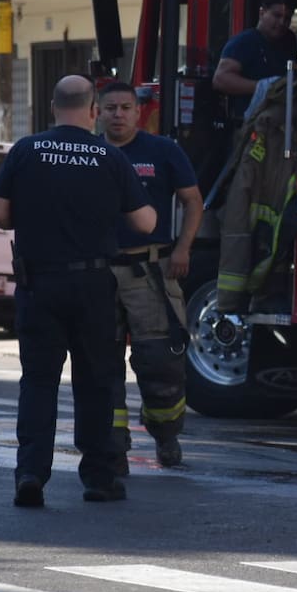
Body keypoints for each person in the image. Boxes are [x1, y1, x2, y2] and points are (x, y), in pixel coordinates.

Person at [0, 75, 156, 508]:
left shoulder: (27, 150)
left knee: (39, 381)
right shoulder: (109, 156)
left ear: (53, 107)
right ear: (93, 109)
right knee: (96, 382)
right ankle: (98, 477)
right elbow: (146, 223)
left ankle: (31, 474)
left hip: (39, 282)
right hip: (94, 284)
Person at [97, 81, 203, 471]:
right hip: (99, 272)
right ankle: (112, 444)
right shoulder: (89, 152)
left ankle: (166, 435)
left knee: (161, 360)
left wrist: (183, 249)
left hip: (151, 271)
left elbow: (193, 200)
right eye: (111, 108)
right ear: (97, 111)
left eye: (125, 107)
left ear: (138, 111)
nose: (118, 114)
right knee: (101, 361)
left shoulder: (163, 151)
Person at [212, 0, 297, 124]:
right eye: (277, 16)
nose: (282, 22)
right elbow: (220, 79)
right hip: (248, 127)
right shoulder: (244, 42)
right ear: (262, 13)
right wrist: (263, 87)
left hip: (279, 127)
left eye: (287, 18)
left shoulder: (289, 41)